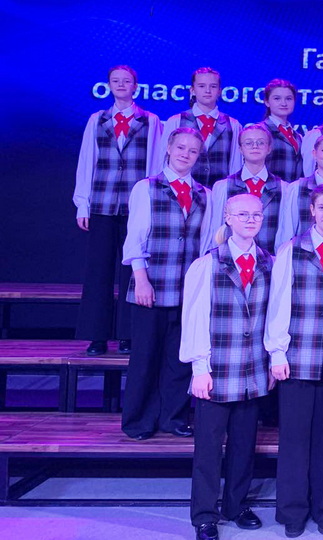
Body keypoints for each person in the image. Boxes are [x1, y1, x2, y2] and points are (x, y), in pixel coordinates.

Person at [265, 183, 323, 537]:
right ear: (312, 210)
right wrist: (277, 351)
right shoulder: (292, 249)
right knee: (294, 439)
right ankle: (292, 511)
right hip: (297, 357)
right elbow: (278, 301)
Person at [180, 193, 271, 540]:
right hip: (216, 369)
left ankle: (236, 504)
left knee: (244, 444)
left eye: (256, 215)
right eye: (242, 214)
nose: (250, 220)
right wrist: (199, 367)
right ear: (228, 218)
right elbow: (195, 318)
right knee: (208, 448)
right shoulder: (208, 264)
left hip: (252, 370)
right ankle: (205, 515)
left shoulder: (269, 263)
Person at [121, 127, 213, 440]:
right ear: (169, 148)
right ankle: (138, 421)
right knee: (146, 357)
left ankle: (172, 418)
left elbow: (204, 243)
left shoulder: (204, 194)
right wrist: (141, 279)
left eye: (192, 151)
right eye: (181, 148)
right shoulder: (146, 188)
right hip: (153, 285)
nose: (186, 154)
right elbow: (135, 238)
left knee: (179, 359)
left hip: (186, 290)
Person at [73, 65, 163, 357]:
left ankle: (128, 334)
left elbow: (154, 164)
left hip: (135, 206)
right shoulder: (97, 119)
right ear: (109, 86)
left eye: (127, 81)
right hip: (102, 202)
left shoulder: (150, 121)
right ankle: (96, 336)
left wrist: (150, 203)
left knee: (132, 270)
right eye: (116, 81)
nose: (121, 85)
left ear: (136, 86)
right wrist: (83, 202)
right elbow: (87, 161)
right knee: (98, 270)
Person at [209, 124, 291, 255]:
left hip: (269, 260)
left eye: (261, 142)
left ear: (269, 148)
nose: (255, 146)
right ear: (240, 149)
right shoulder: (223, 187)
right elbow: (217, 229)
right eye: (248, 143)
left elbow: (285, 232)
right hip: (231, 260)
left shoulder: (284, 188)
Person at [161, 67, 242, 187]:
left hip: (218, 192)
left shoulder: (233, 125)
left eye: (213, 86)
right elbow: (163, 160)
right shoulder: (176, 121)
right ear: (192, 90)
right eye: (202, 86)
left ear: (219, 91)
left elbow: (236, 165)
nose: (207, 90)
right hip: (181, 190)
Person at [261, 78, 304, 182]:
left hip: (293, 190)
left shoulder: (298, 136)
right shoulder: (260, 131)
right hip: (268, 190)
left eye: (288, 99)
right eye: (277, 98)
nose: (283, 103)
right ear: (267, 102)